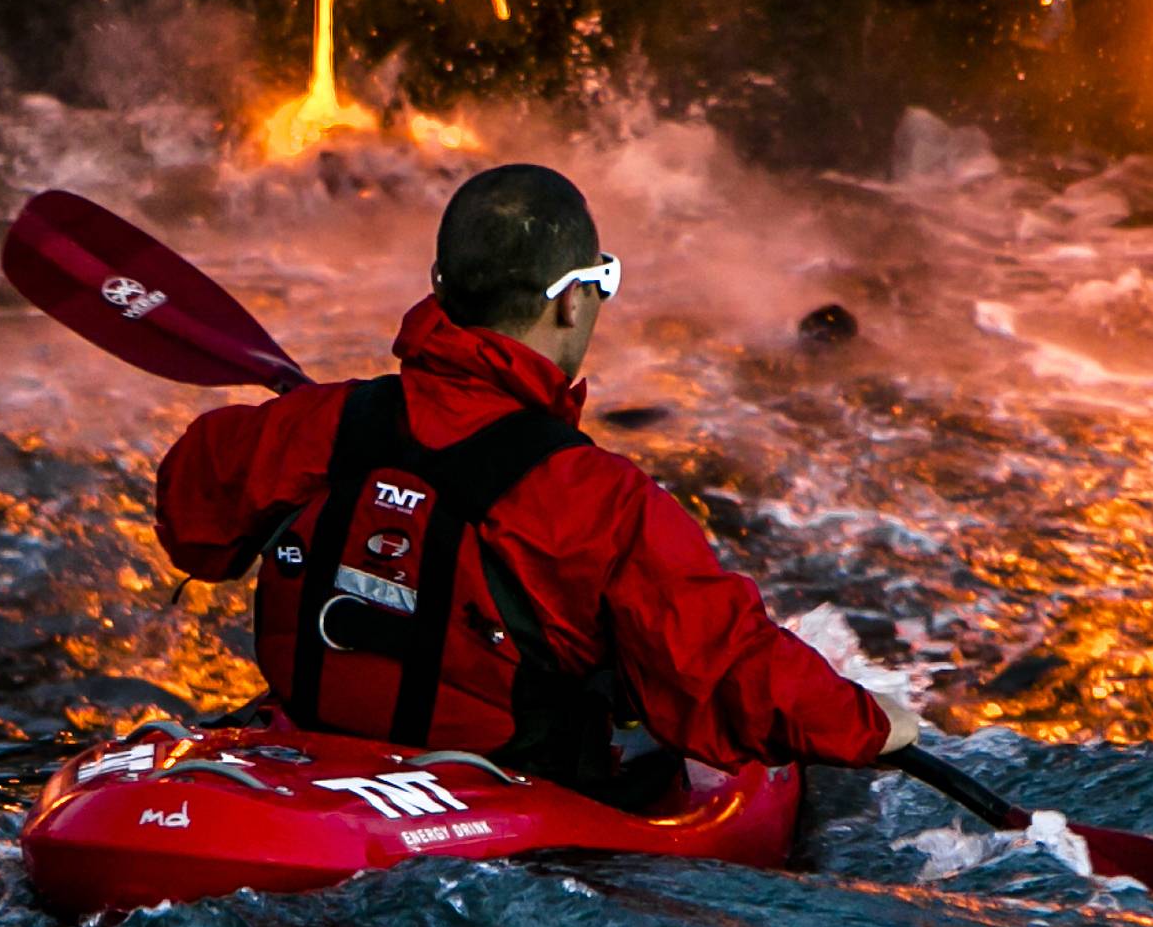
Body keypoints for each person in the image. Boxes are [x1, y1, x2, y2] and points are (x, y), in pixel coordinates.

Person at [151, 163, 930, 795]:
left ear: (443, 288)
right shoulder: (599, 501)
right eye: (603, 280)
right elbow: (721, 667)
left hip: (308, 776)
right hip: (501, 819)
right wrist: (866, 719)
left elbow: (192, 522)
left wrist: (319, 437)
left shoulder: (314, 426)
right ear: (569, 301)